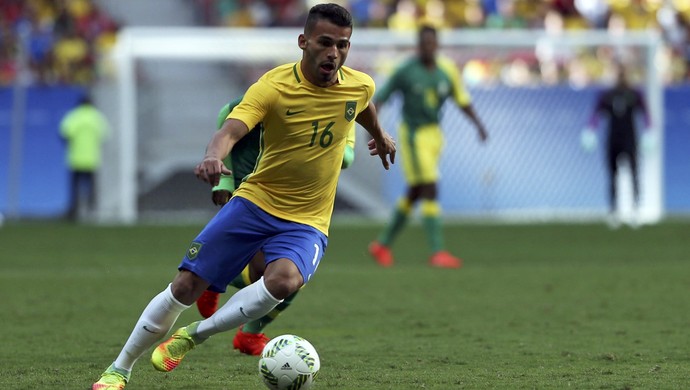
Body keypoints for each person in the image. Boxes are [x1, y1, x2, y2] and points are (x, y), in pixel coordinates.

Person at [91, 4, 396, 389]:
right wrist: (212, 158)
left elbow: (362, 104)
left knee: (284, 283)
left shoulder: (358, 83)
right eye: (325, 43)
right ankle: (119, 368)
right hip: (254, 204)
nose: (334, 53)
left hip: (307, 221)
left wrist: (381, 136)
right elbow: (230, 130)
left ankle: (192, 336)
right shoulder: (272, 86)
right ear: (303, 42)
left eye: (343, 45)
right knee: (185, 286)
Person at [196, 95, 358, 356]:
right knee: (276, 274)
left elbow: (347, 157)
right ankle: (219, 293)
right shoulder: (258, 101)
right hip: (254, 191)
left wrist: (319, 140)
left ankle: (220, 291)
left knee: (290, 276)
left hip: (302, 202)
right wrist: (224, 183)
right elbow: (227, 133)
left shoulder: (345, 104)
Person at [368, 24, 488, 269]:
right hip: (413, 135)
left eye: (432, 43)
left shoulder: (447, 70)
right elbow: (379, 99)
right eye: (424, 44)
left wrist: (478, 124)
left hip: (435, 135)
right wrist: (373, 130)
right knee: (430, 186)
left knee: (416, 191)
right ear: (418, 45)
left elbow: (462, 100)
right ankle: (437, 251)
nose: (428, 48)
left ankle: (382, 244)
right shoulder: (405, 70)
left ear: (437, 45)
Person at [581, 63, 652, 228]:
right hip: (613, 139)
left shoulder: (634, 94)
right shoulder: (607, 95)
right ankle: (614, 210)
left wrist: (649, 131)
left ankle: (635, 209)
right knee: (613, 175)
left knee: (634, 172)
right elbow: (596, 114)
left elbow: (646, 114)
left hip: (630, 138)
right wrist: (590, 130)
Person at [59, 94, 109, 222]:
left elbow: (64, 134)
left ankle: (74, 214)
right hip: (92, 158)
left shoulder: (74, 116)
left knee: (75, 188)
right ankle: (93, 212)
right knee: (92, 187)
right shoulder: (97, 117)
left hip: (75, 158)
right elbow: (105, 135)